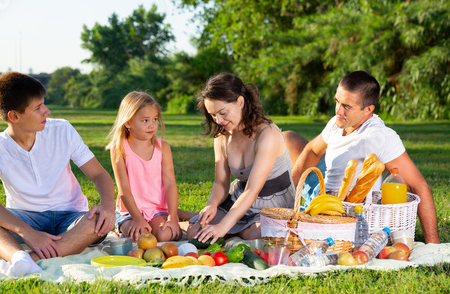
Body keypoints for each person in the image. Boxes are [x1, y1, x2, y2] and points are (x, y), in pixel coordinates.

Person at [0, 72, 116, 277]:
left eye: (43, 104)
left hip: (71, 217)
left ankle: (28, 261)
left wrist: (108, 205)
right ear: (14, 116)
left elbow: (99, 174)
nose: (47, 111)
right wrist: (28, 233)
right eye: (38, 108)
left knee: (98, 220)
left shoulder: (63, 130)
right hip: (26, 219)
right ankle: (18, 257)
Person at [291, 70, 440, 244]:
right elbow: (313, 151)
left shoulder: (380, 136)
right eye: (337, 101)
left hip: (334, 206)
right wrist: (290, 195)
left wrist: (433, 243)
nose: (338, 111)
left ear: (368, 110)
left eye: (347, 107)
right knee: (288, 138)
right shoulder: (338, 121)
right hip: (325, 182)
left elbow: (418, 185)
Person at [187, 72, 296, 244]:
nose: (218, 120)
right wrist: (212, 204)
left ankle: (235, 228)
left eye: (222, 113)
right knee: (194, 233)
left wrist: (223, 227)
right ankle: (235, 226)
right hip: (239, 198)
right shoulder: (222, 137)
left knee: (257, 235)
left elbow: (253, 190)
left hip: (272, 204)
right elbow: (220, 183)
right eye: (213, 115)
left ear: (240, 102)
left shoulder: (268, 135)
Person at [106, 91, 186, 242]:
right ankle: (126, 225)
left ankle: (179, 215)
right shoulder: (119, 149)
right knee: (140, 237)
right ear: (128, 122)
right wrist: (137, 219)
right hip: (130, 211)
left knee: (166, 235)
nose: (152, 125)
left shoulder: (163, 148)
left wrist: (172, 217)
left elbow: (170, 183)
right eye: (145, 120)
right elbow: (124, 189)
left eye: (155, 119)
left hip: (157, 209)